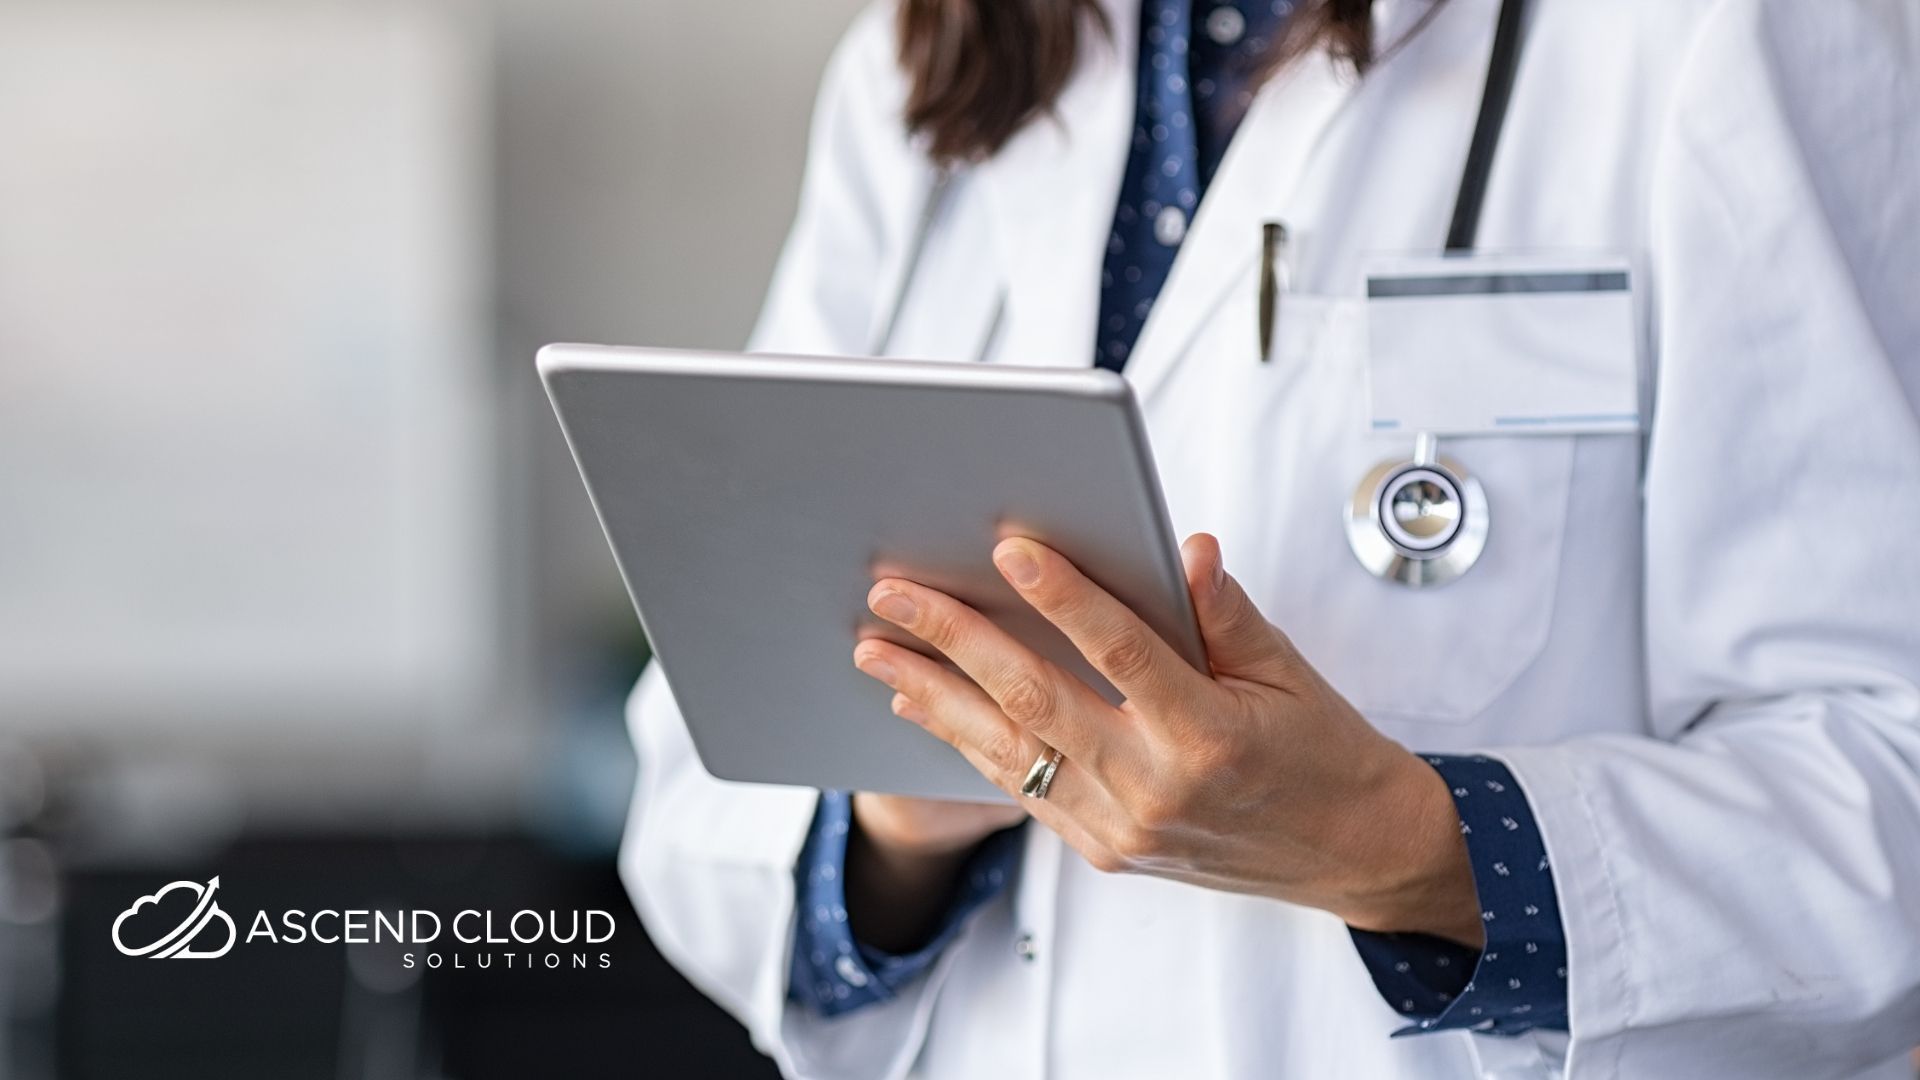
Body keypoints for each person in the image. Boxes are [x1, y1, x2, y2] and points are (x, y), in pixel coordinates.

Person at [619, 0, 1920, 1077]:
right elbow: (699, 790)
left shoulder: (1727, 31)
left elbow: (1889, 783)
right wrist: (899, 817)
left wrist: (1412, 847)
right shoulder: (923, 66)